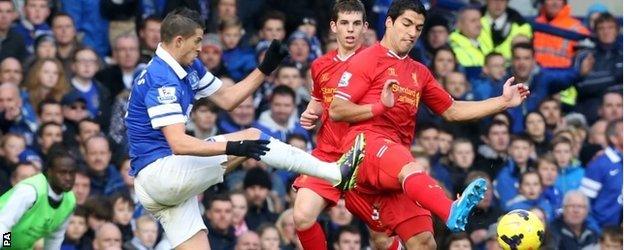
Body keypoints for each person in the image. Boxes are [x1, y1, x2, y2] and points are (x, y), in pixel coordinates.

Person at [125, 8, 364, 249]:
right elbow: (179, 143)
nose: (200, 48)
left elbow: (227, 99)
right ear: (178, 41)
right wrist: (233, 147)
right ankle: (334, 173)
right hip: (161, 173)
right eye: (197, 41)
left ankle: (331, 172)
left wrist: (265, 68)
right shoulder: (162, 79)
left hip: (158, 185)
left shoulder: (187, 66)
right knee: (252, 136)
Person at [329, 0, 529, 248]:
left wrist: (502, 101)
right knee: (410, 167)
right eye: (407, 24)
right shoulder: (366, 59)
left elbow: (452, 110)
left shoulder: (419, 72)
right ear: (389, 23)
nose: (412, 32)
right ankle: (450, 208)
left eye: (418, 27)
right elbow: (337, 109)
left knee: (424, 242)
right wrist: (378, 107)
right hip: (364, 148)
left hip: (394, 166)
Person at [292, 1, 369, 250]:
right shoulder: (320, 65)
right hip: (327, 154)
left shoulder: (375, 62)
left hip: (364, 156)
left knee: (382, 238)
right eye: (345, 23)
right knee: (302, 217)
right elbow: (318, 101)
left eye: (356, 24)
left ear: (365, 27)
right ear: (333, 26)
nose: (350, 30)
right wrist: (310, 113)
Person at [0, 143, 77, 249]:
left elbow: (54, 238)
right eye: (62, 172)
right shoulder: (30, 191)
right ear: (49, 172)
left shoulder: (70, 201)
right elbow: (4, 224)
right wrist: (5, 246)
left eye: (72, 173)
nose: (68, 178)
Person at [580, 120, 623, 228]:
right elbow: (584, 203)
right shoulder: (599, 164)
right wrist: (597, 232)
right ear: (613, 138)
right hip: (605, 233)